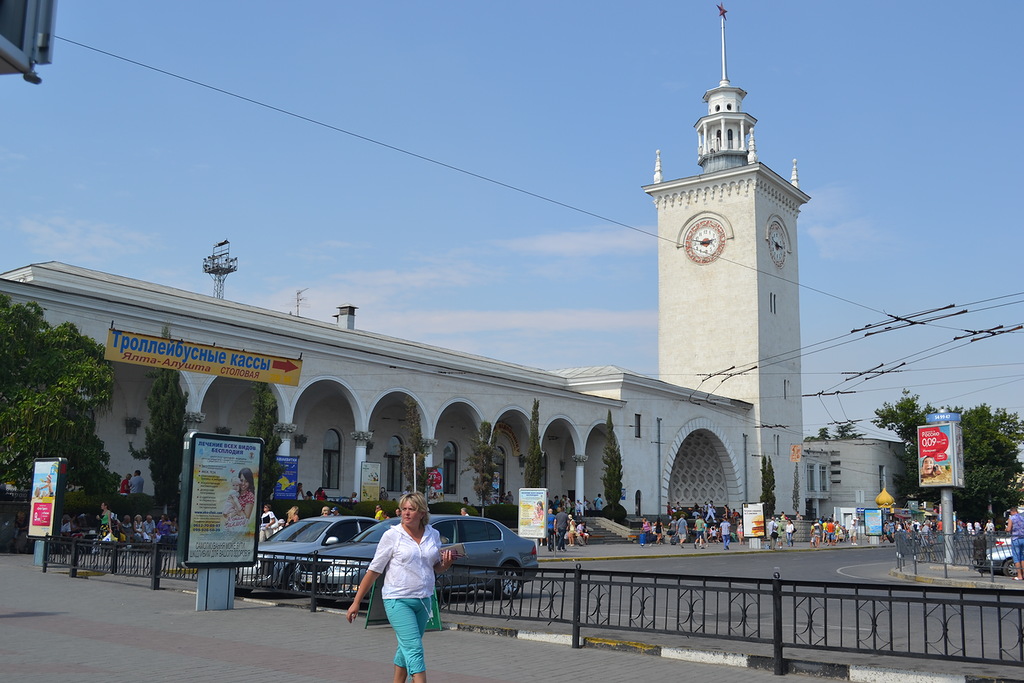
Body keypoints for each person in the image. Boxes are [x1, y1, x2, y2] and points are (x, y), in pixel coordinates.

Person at [346, 492, 456, 683]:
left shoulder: (433, 534)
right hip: (397, 599)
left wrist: (446, 563)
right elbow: (374, 570)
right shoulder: (392, 535)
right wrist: (356, 602)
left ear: (422, 512)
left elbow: (436, 566)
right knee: (414, 648)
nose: (406, 513)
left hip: (424, 599)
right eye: (403, 509)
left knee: (406, 648)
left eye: (411, 509)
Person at [1007, 506, 1024, 581]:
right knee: (1023, 558)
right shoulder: (1022, 518)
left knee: (1017, 558)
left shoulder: (1011, 518)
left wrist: (1006, 529)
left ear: (1012, 512)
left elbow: (1009, 529)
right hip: (1023, 538)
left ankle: (1019, 576)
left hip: (1015, 539)